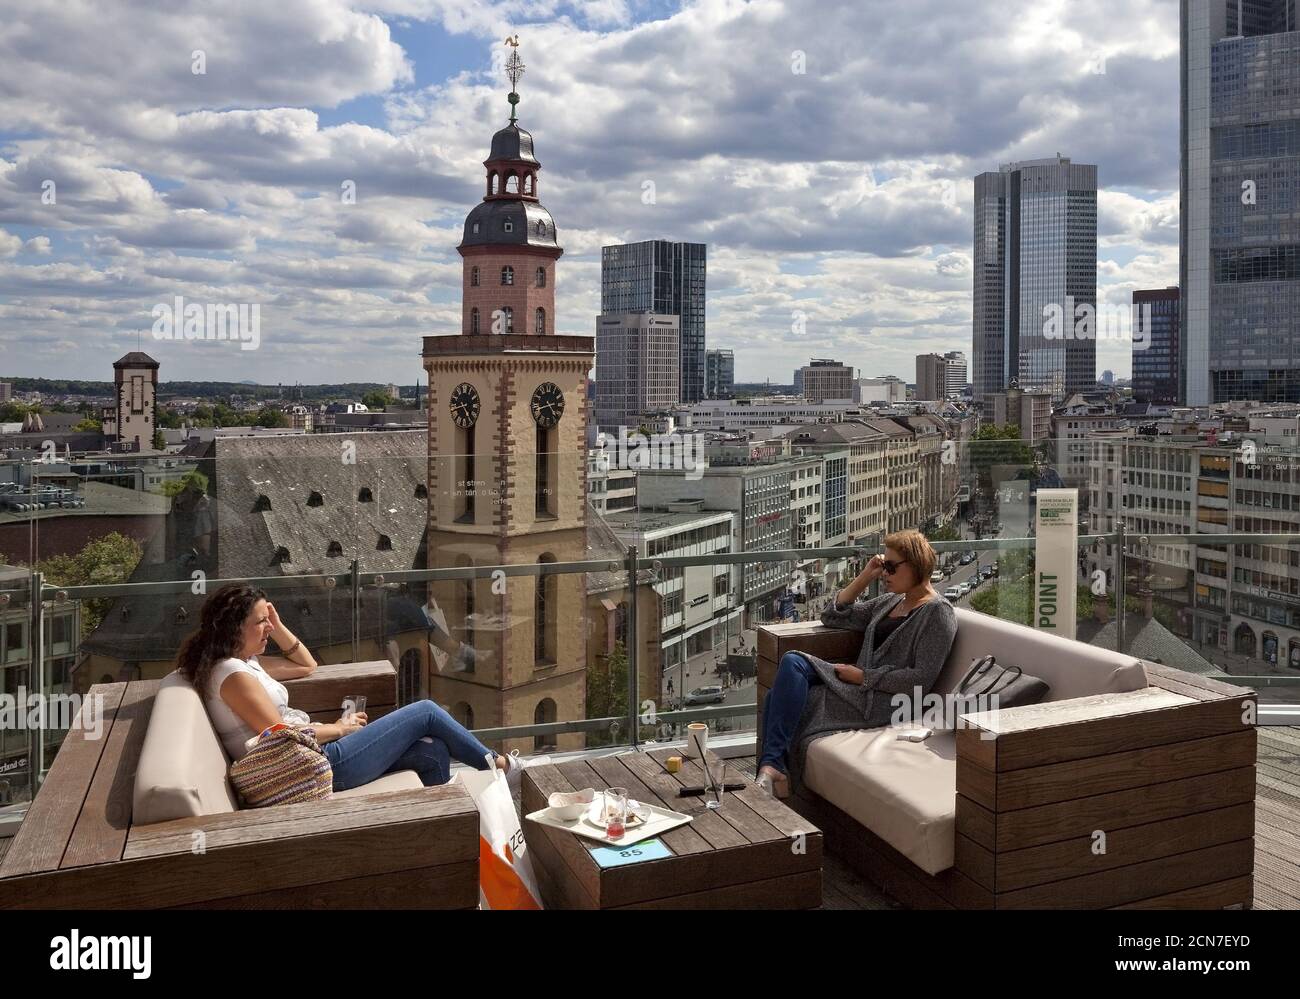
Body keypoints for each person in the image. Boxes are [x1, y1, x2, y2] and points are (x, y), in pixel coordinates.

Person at [178, 584, 540, 793]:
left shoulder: (243, 661)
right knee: (427, 712)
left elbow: (306, 665)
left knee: (433, 751)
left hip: (315, 752)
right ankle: (505, 767)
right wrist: (340, 728)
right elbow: (278, 733)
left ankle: (444, 831)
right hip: (313, 765)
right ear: (234, 628)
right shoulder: (232, 674)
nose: (268, 629)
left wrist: (279, 623)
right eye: (261, 623)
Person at [755, 530, 958, 798]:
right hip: (857, 687)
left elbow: (920, 679)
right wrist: (865, 577)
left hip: (883, 702)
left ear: (917, 564)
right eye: (884, 566)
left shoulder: (937, 612)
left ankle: (770, 774)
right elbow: (832, 616)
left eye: (891, 567)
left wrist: (864, 677)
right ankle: (773, 772)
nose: (885, 573)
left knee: (791, 666)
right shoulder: (892, 601)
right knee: (780, 690)